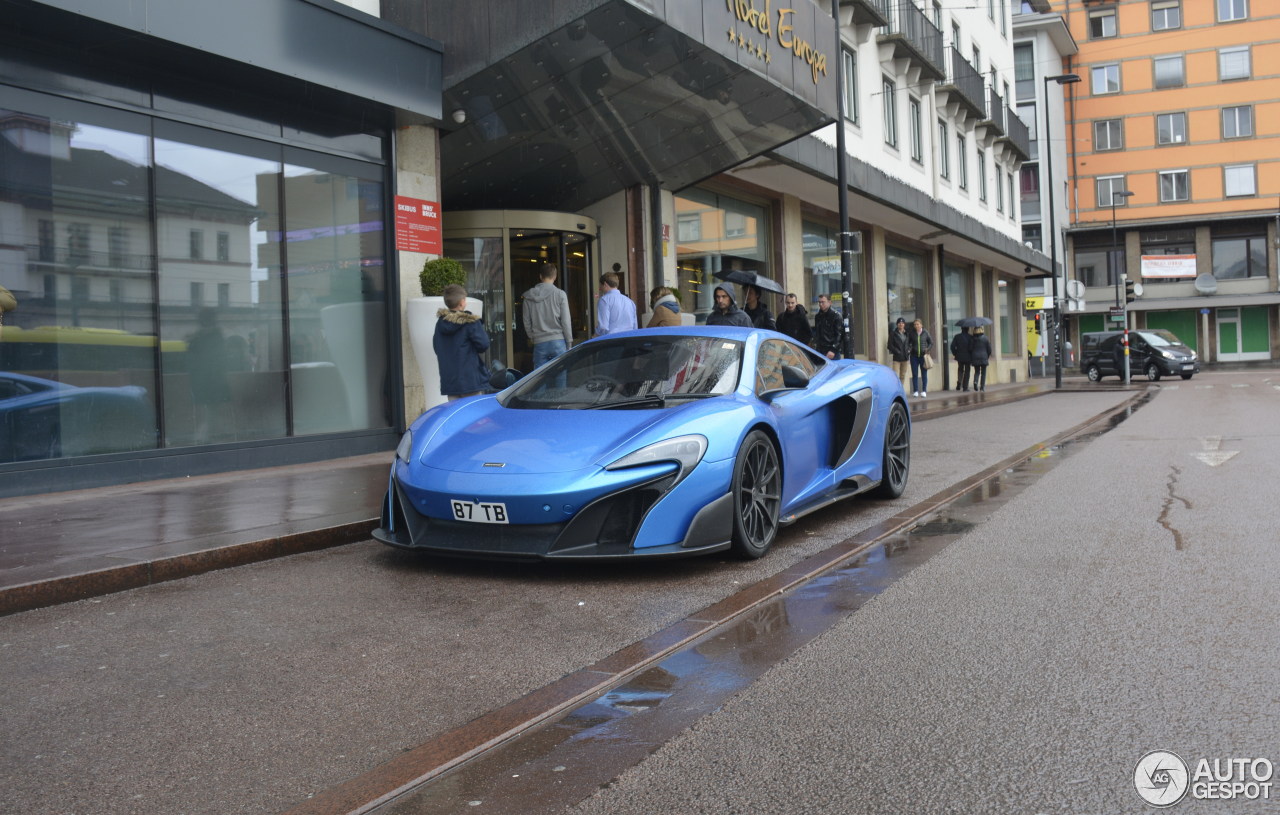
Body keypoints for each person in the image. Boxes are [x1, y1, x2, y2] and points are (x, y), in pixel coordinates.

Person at [434, 283, 490, 400]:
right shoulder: (470, 322)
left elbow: (437, 347)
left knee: (456, 414)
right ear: (461, 302)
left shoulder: (440, 323)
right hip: (470, 380)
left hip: (449, 380)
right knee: (472, 415)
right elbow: (483, 344)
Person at [522, 263, 573, 368]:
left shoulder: (529, 297)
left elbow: (526, 321)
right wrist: (569, 341)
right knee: (560, 377)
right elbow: (566, 321)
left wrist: (532, 337)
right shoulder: (560, 294)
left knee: (540, 379)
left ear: (540, 276)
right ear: (555, 276)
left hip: (539, 342)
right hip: (558, 341)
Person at [594, 271, 637, 336]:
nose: (600, 289)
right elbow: (635, 327)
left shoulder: (604, 300)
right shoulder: (630, 301)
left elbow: (603, 327)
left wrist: (596, 334)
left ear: (605, 284)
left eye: (600, 285)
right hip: (629, 340)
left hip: (612, 340)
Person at [813, 294, 845, 359]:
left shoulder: (836, 316)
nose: (820, 304)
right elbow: (817, 333)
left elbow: (839, 335)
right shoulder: (818, 316)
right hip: (820, 350)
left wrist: (833, 350)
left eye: (823, 302)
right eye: (819, 302)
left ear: (829, 302)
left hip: (832, 351)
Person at [908, 318, 934, 397]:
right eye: (915, 324)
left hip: (923, 357)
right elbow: (908, 343)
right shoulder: (912, 333)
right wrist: (910, 348)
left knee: (924, 374)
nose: (916, 326)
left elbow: (931, 342)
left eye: (918, 324)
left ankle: (924, 390)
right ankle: (915, 391)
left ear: (921, 325)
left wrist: (928, 349)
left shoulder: (925, 332)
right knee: (914, 374)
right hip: (914, 356)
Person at [887, 317, 910, 390]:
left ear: (904, 325)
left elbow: (909, 344)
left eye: (902, 323)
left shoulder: (907, 334)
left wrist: (909, 350)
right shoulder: (893, 333)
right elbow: (889, 345)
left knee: (902, 375)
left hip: (905, 358)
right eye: (899, 323)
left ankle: (901, 390)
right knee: (895, 375)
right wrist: (896, 351)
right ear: (897, 324)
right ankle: (895, 389)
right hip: (897, 358)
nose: (901, 324)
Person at [969, 325, 993, 392]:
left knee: (977, 371)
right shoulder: (985, 338)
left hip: (975, 357)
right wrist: (987, 356)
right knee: (983, 373)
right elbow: (989, 349)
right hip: (984, 357)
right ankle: (982, 387)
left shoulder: (972, 339)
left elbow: (970, 349)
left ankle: (975, 382)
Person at [950, 326, 973, 391]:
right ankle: (965, 387)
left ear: (961, 329)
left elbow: (952, 346)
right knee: (967, 371)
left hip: (959, 356)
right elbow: (971, 348)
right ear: (968, 329)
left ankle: (959, 383)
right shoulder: (970, 337)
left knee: (960, 369)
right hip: (968, 357)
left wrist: (955, 353)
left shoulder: (957, 336)